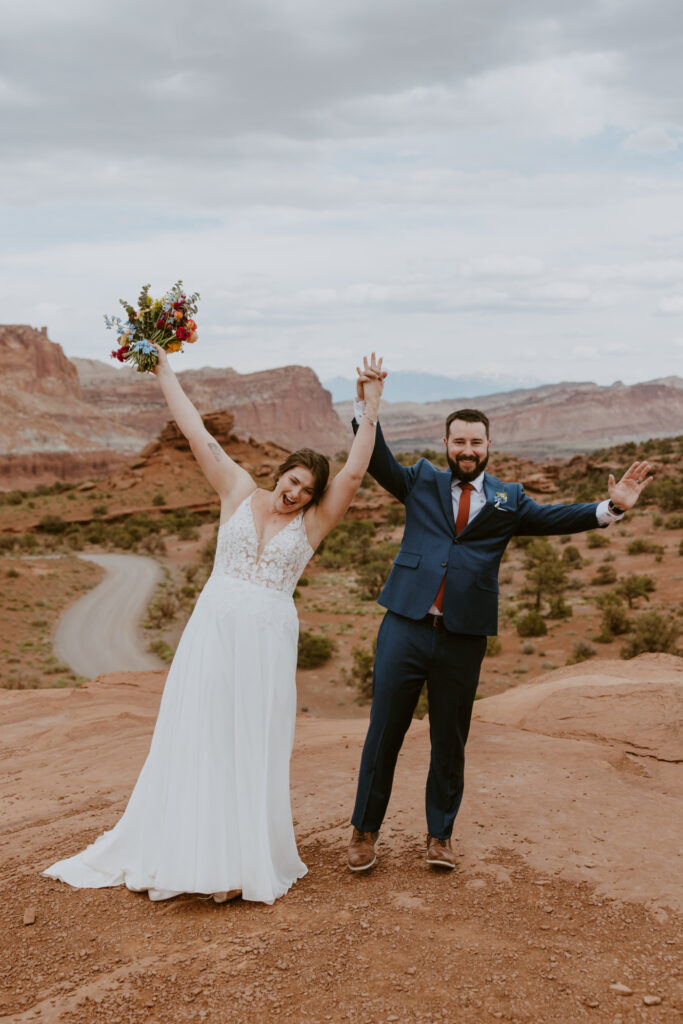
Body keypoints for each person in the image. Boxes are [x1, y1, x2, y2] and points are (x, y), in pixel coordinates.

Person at [44, 350, 384, 905]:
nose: (294, 492)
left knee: (247, 742)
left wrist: (370, 406)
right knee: (201, 734)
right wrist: (162, 373)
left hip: (266, 643)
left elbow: (353, 471)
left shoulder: (314, 524)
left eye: (305, 489)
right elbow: (196, 431)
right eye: (292, 480)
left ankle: (238, 860)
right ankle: (191, 852)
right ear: (280, 475)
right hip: (212, 635)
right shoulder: (237, 490)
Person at [346, 385, 653, 873]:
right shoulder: (420, 480)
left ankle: (440, 836)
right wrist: (367, 409)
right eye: (459, 442)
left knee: (451, 737)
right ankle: (364, 832)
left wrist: (610, 508)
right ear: (446, 445)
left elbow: (557, 518)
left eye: (476, 443)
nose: (467, 451)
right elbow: (376, 458)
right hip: (404, 625)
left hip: (463, 636)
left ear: (489, 446)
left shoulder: (510, 500)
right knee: (385, 731)